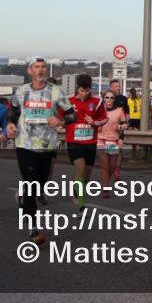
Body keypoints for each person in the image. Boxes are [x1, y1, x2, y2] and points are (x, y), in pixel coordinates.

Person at [7, 58, 76, 244]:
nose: (40, 70)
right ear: (30, 71)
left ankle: (22, 200)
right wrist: (11, 124)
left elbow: (72, 114)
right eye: (36, 67)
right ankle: (33, 229)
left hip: (48, 145)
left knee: (40, 185)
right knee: (30, 185)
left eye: (43, 67)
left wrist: (61, 122)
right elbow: (12, 110)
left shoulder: (55, 91)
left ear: (46, 70)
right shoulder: (21, 92)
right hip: (25, 144)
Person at [65, 74, 108, 211]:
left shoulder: (97, 101)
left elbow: (105, 119)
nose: (84, 94)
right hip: (74, 141)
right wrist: (63, 122)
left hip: (90, 141)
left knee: (86, 175)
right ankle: (81, 206)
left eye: (87, 91)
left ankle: (77, 189)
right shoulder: (68, 101)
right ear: (77, 88)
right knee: (81, 169)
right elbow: (59, 116)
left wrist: (94, 122)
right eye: (82, 91)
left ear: (90, 89)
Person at [96, 90, 128, 197]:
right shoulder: (99, 110)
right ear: (104, 99)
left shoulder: (119, 111)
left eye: (111, 98)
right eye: (107, 97)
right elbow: (93, 122)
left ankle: (105, 181)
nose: (109, 100)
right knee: (105, 166)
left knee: (112, 167)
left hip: (113, 140)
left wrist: (119, 127)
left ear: (114, 100)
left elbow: (125, 125)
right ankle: (105, 190)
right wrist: (97, 125)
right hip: (101, 139)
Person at [108, 79, 128, 179]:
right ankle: (109, 168)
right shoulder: (106, 98)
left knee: (119, 150)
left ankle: (117, 171)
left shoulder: (123, 98)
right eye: (116, 86)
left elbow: (127, 113)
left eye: (119, 86)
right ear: (111, 87)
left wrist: (124, 123)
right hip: (107, 129)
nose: (118, 88)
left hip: (119, 129)